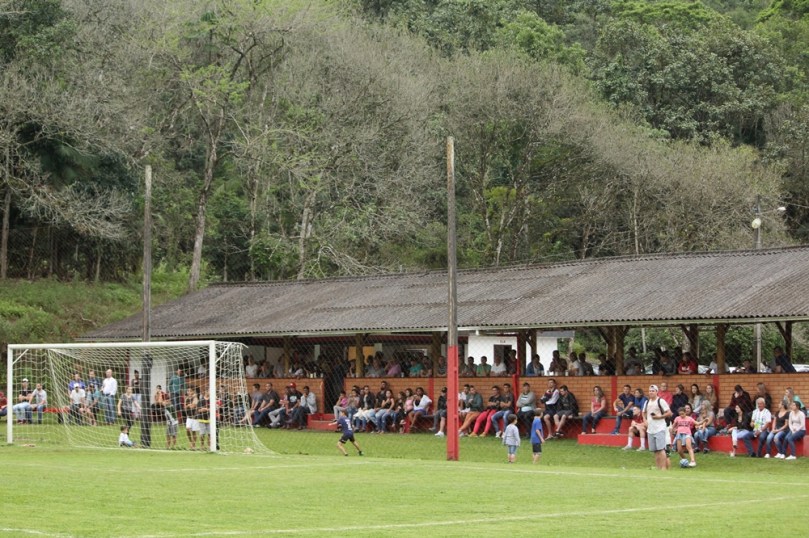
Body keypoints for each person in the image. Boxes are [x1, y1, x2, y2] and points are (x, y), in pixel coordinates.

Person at [643, 385, 671, 470]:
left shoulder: (661, 401)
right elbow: (643, 412)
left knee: (661, 449)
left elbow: (668, 413)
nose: (651, 392)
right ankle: (658, 468)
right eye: (650, 391)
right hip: (650, 429)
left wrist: (659, 417)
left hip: (659, 428)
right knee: (655, 450)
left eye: (653, 391)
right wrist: (645, 421)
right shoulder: (647, 402)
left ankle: (663, 468)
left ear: (656, 392)